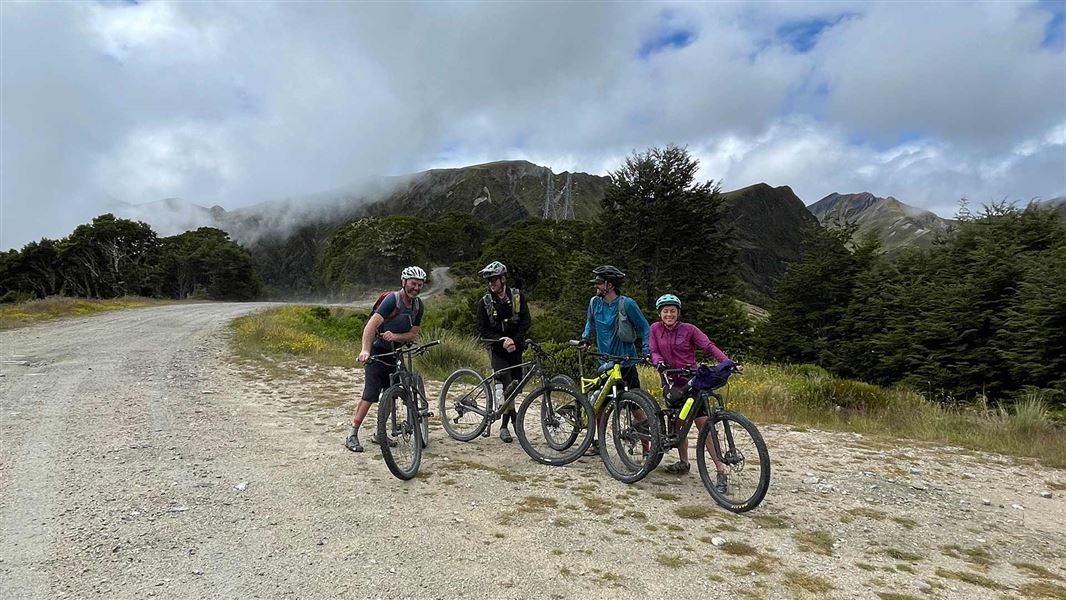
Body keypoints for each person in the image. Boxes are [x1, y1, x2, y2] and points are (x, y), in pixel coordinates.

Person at [649, 293, 743, 489]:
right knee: (678, 424)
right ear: (660, 313)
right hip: (670, 382)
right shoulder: (655, 329)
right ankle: (684, 462)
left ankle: (720, 470)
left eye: (672, 311)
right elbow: (653, 350)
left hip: (692, 382)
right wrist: (658, 362)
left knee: (704, 425)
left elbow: (708, 346)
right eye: (665, 311)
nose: (669, 314)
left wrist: (727, 362)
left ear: (678, 313)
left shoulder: (689, 330)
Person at [344, 266, 427, 452]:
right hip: (377, 351)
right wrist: (365, 350)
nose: (416, 288)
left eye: (420, 285)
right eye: (413, 283)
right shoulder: (392, 300)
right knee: (370, 394)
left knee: (394, 392)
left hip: (395, 353)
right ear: (404, 282)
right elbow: (370, 326)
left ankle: (379, 433)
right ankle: (352, 434)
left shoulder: (418, 306)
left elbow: (412, 334)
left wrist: (396, 337)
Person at [475, 261, 531, 443]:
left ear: (503, 279)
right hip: (497, 349)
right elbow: (483, 330)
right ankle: (510, 424)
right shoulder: (484, 303)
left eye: (494, 280)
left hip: (515, 348)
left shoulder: (517, 296)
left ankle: (506, 423)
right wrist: (502, 340)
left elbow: (525, 321)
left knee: (514, 387)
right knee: (505, 380)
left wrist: (514, 340)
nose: (491, 283)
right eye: (489, 281)